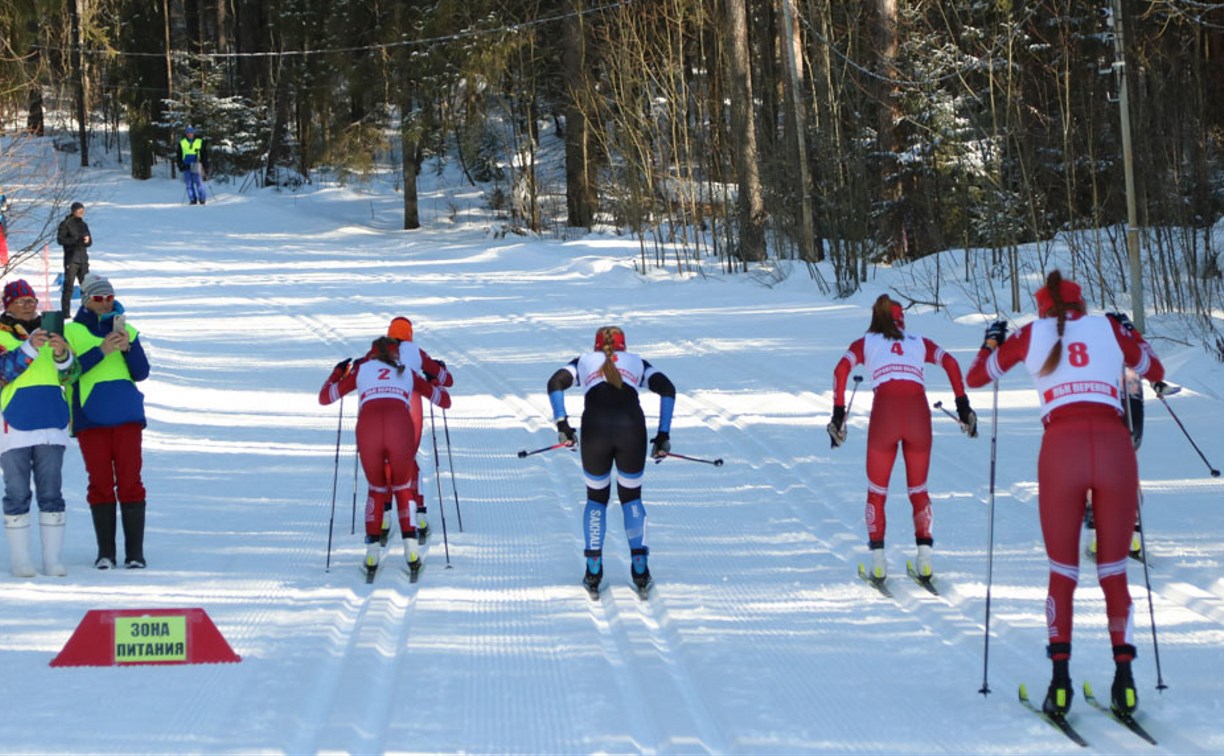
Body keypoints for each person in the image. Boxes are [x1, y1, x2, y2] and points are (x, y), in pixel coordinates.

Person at [966, 270, 1166, 719]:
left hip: (1062, 451)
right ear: (1082, 305)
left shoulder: (1031, 334)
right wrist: (1132, 333)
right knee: (1114, 570)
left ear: (1042, 308)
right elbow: (1155, 370)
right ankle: (1126, 682)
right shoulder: (1109, 328)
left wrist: (992, 341)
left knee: (1063, 571)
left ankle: (1060, 685)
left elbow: (976, 378)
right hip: (1115, 448)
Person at [827, 295, 976, 583]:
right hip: (918, 417)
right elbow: (951, 363)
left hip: (885, 416)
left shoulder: (866, 342)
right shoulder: (918, 341)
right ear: (901, 319)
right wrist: (963, 406)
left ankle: (879, 562)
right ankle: (924, 561)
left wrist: (838, 413)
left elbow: (840, 370)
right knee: (918, 490)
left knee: (876, 492)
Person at [546, 325, 676, 596]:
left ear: (596, 346)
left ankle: (594, 567)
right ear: (623, 346)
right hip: (631, 429)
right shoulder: (638, 362)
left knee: (596, 498)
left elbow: (554, 383)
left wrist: (563, 424)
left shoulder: (583, 361)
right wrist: (663, 434)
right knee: (631, 497)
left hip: (595, 429)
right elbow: (667, 389)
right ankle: (639, 566)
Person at [318, 336, 452, 578]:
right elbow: (444, 401)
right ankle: (412, 552)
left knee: (377, 489)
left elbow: (325, 398)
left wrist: (337, 372)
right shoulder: (408, 372)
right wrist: (434, 378)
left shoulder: (361, 369)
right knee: (402, 487)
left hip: (368, 429)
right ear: (396, 354)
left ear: (372, 353)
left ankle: (371, 554)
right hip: (400, 427)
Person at [64, 273, 151, 569]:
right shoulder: (72, 332)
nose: (104, 304)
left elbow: (141, 373)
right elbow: (68, 373)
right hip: (91, 418)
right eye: (98, 298)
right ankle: (105, 552)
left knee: (130, 481)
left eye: (109, 298)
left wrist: (128, 348)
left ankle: (135, 553)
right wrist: (101, 351)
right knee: (100, 483)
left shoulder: (129, 330)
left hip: (127, 416)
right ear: (86, 300)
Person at [0, 280, 73, 577]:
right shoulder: (3, 334)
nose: (29, 305)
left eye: (32, 300)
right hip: (14, 422)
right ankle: (20, 561)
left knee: (51, 491)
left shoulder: (52, 330)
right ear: (8, 305)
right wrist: (30, 347)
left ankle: (52, 560)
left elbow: (71, 375)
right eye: (21, 300)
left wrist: (62, 354)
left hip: (51, 421)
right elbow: (4, 371)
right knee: (17, 492)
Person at [380, 316, 453, 545]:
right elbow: (446, 380)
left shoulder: (377, 352)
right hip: (411, 406)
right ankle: (419, 514)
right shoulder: (416, 352)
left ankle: (384, 515)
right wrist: (436, 371)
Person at [56, 201, 92, 319]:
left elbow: (89, 242)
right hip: (71, 259)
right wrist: (77, 239)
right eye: (79, 211)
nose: (81, 213)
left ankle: (86, 311)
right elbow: (61, 240)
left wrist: (87, 240)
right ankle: (65, 313)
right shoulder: (65, 224)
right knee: (68, 287)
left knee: (86, 287)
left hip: (83, 259)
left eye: (83, 211)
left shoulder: (84, 224)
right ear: (73, 211)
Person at [178, 126, 209, 205]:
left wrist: (205, 166)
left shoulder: (199, 141)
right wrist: (180, 164)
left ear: (193, 133)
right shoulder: (182, 142)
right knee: (189, 183)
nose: (189, 134)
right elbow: (179, 155)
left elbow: (204, 155)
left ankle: (202, 199)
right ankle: (192, 199)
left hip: (196, 163)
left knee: (199, 182)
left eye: (191, 132)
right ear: (186, 134)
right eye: (188, 133)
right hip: (186, 164)